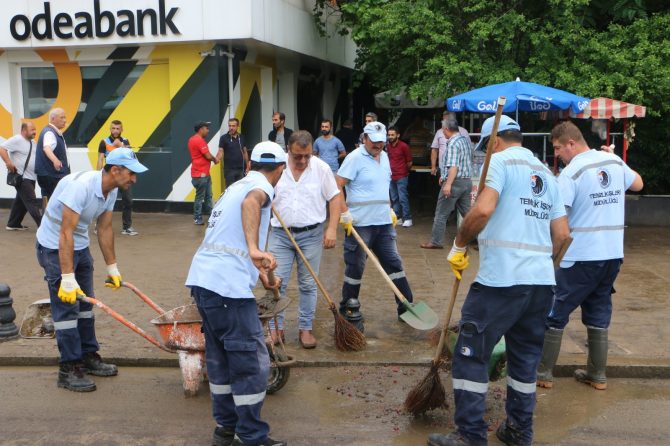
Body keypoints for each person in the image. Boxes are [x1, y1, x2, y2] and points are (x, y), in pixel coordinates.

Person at [428, 115, 570, 446]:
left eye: (485, 148)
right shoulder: (548, 175)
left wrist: (459, 244)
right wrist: (541, 266)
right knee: (524, 361)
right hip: (541, 285)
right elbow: (563, 235)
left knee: (470, 354)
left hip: (500, 282)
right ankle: (519, 432)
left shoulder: (500, 163)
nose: (484, 154)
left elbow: (480, 212)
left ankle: (469, 436)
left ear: (494, 142)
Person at [185, 141, 288, 446]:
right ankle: (252, 436)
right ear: (280, 168)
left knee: (220, 360)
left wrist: (265, 275)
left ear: (250, 163)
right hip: (227, 289)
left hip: (203, 281)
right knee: (251, 363)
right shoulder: (260, 187)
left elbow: (230, 241)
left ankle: (225, 429)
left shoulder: (236, 185)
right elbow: (251, 205)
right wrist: (256, 250)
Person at [536, 121, 644, 391]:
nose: (557, 154)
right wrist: (614, 158)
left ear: (571, 143)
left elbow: (558, 220)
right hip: (612, 254)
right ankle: (598, 375)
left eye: (559, 148)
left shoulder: (572, 173)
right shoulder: (613, 161)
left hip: (581, 256)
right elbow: (639, 184)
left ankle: (543, 373)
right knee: (598, 310)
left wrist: (550, 257)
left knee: (555, 311)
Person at [35, 147, 148, 392]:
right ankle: (69, 368)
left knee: (86, 304)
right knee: (67, 307)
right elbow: (65, 232)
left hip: (79, 245)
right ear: (115, 170)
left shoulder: (111, 190)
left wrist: (113, 267)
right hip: (55, 246)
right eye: (131, 173)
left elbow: (105, 228)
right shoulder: (82, 187)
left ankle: (87, 355)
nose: (134, 179)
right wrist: (66, 277)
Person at [268, 130, 343, 349]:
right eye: (297, 156)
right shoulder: (277, 167)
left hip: (311, 235)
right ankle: (276, 329)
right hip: (280, 234)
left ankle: (305, 329)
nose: (302, 161)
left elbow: (335, 197)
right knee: (276, 284)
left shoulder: (321, 168)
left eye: (307, 156)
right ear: (288, 151)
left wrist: (332, 229)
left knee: (309, 284)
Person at [337, 121, 414, 327]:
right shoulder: (354, 158)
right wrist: (344, 212)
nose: (378, 145)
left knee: (394, 263)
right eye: (374, 141)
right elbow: (336, 186)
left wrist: (389, 208)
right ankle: (348, 307)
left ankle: (406, 304)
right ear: (364, 138)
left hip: (384, 222)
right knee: (355, 267)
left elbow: (384, 186)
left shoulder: (386, 157)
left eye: (382, 142)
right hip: (360, 223)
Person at [421, 118, 473, 249]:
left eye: (442, 129)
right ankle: (482, 238)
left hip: (455, 182)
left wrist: (448, 183)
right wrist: (444, 176)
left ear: (446, 129)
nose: (441, 132)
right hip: (466, 182)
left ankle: (436, 241)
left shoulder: (453, 143)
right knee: (469, 214)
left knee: (441, 214)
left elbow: (454, 166)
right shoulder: (465, 141)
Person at [97, 120, 137, 236]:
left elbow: (130, 156)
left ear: (121, 130)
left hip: (123, 177)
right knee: (103, 202)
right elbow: (100, 159)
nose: (115, 130)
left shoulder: (125, 141)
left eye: (117, 128)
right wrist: (98, 174)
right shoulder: (103, 142)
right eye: (113, 128)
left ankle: (127, 227)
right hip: (109, 177)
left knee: (128, 201)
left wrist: (120, 145)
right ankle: (99, 225)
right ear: (110, 129)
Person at [0, 122, 42, 230]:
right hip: (22, 178)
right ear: (23, 130)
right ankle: (44, 227)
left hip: (31, 177)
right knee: (31, 202)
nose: (34, 132)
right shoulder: (17, 139)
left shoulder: (33, 142)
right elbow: (2, 148)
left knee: (21, 201)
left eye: (35, 129)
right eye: (32, 130)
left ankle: (13, 223)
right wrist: (8, 162)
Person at [35, 108, 70, 204]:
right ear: (53, 119)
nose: (65, 120)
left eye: (65, 117)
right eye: (62, 117)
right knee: (56, 204)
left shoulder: (51, 131)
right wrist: (55, 160)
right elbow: (47, 148)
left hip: (50, 175)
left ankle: (46, 218)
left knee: (49, 202)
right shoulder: (50, 132)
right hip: (53, 176)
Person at [188, 121, 219, 226]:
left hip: (203, 173)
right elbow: (208, 156)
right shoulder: (199, 140)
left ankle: (211, 215)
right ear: (201, 129)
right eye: (206, 128)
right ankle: (197, 217)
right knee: (201, 197)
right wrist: (215, 159)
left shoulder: (192, 139)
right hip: (200, 174)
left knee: (208, 196)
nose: (208, 130)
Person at [387, 126, 413, 227]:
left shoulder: (404, 146)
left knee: (403, 198)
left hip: (402, 175)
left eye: (392, 135)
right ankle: (398, 217)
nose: (390, 137)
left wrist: (404, 170)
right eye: (389, 135)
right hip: (391, 176)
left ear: (398, 135)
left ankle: (408, 218)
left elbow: (409, 162)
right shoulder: (388, 146)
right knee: (394, 198)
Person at [430, 111, 470, 177]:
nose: (442, 121)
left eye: (445, 120)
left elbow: (469, 150)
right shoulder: (439, 132)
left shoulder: (463, 132)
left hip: (460, 171)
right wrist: (433, 166)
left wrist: (448, 183)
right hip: (443, 168)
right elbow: (434, 150)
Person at [218, 117, 249, 188]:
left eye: (233, 126)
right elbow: (220, 151)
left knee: (240, 189)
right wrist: (216, 158)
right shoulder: (224, 138)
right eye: (229, 126)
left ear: (238, 126)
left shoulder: (241, 137)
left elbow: (245, 152)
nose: (231, 128)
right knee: (230, 189)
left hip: (241, 169)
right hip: (229, 170)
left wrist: (247, 165)